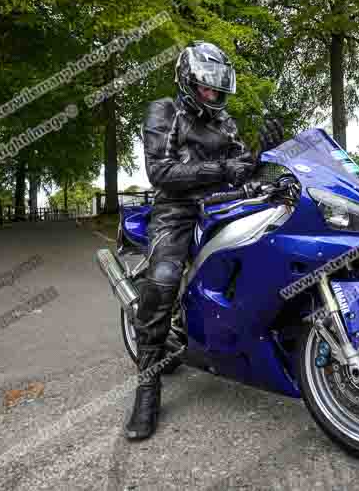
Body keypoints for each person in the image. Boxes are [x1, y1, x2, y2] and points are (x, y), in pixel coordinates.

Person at [127, 41, 284, 440]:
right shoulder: (164, 111)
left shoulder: (226, 124)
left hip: (222, 205)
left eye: (218, 89)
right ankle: (148, 384)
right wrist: (223, 168)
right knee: (163, 279)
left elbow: (244, 170)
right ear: (188, 82)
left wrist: (267, 151)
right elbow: (160, 172)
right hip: (177, 210)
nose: (213, 95)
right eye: (206, 88)